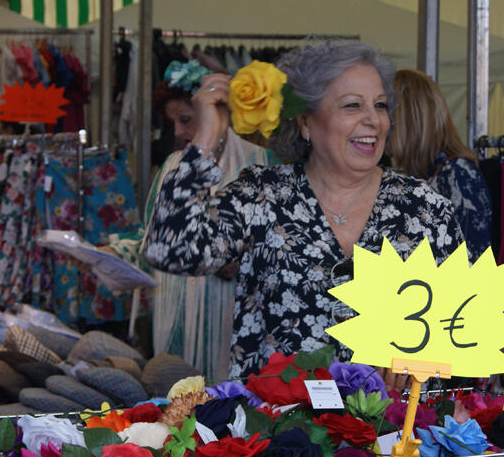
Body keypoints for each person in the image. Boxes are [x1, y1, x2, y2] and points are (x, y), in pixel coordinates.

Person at [142, 39, 466, 379]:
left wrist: (420, 364)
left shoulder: (424, 209)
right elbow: (170, 250)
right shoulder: (262, 195)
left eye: (381, 105)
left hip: (393, 427)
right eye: (353, 106)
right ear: (306, 122)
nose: (374, 120)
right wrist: (206, 137)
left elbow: (461, 337)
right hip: (277, 426)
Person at [106, 74, 278, 381]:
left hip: (235, 324)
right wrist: (109, 254)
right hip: (176, 318)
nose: (178, 131)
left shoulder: (265, 166)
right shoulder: (173, 168)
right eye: (174, 121)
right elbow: (151, 237)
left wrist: (240, 260)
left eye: (186, 120)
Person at [390, 69, 493, 261]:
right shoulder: (423, 176)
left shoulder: (457, 174)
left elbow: (474, 262)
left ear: (405, 120)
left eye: (385, 111)